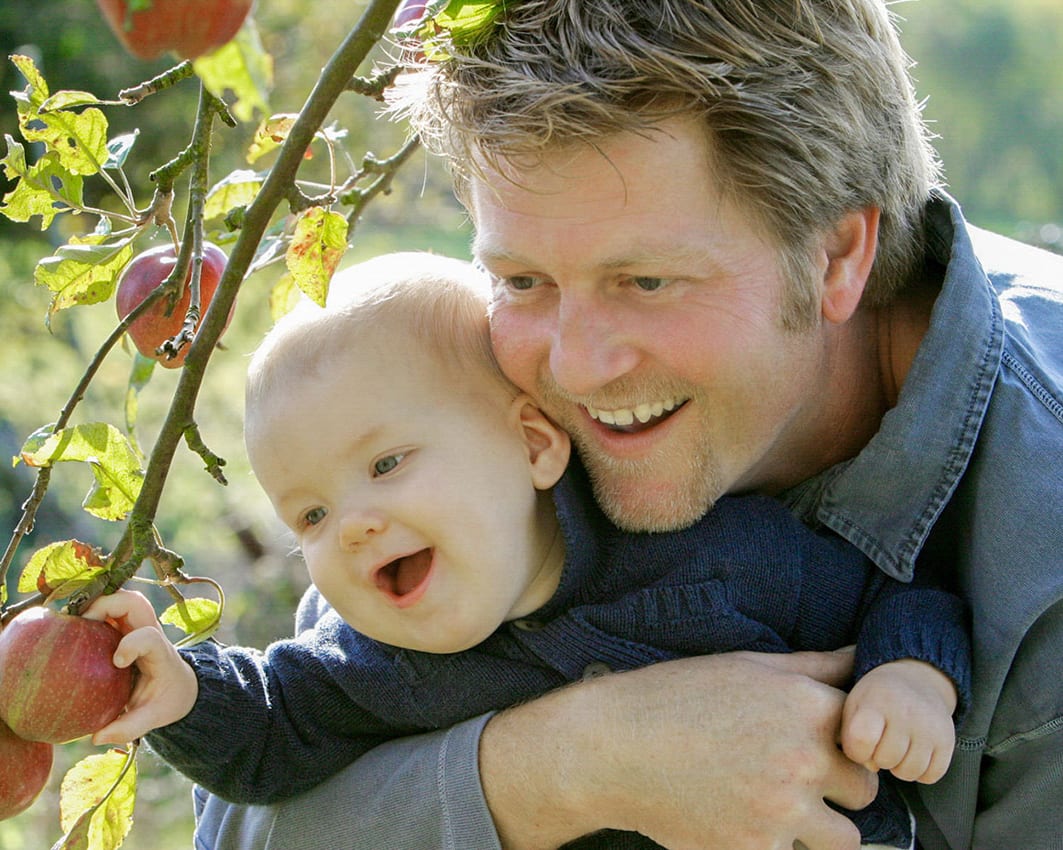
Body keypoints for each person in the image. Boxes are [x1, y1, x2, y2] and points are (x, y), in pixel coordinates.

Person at [191, 1, 1063, 848]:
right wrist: (563, 772)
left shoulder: (1045, 572)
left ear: (835, 256)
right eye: (523, 280)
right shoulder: (488, 424)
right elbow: (241, 821)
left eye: (645, 282)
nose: (572, 368)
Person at [86, 251, 969, 849]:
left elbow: (891, 594)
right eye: (309, 517)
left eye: (387, 464)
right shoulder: (369, 665)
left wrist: (910, 676)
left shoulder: (713, 556)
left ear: (534, 445)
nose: (350, 524)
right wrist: (185, 693)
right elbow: (270, 735)